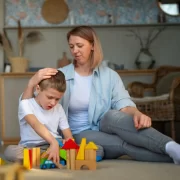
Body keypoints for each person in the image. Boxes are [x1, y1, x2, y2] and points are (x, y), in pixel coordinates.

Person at [16, 26, 180, 164]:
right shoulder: (60, 75)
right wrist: (32, 82)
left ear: (92, 45)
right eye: (72, 46)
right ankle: (173, 157)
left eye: (79, 45)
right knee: (122, 144)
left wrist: (137, 113)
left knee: (114, 115)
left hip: (105, 123)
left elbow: (123, 102)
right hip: (79, 132)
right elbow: (30, 104)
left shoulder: (109, 75)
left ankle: (172, 147)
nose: (75, 51)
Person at [4, 70, 73, 163]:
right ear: (38, 89)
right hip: (31, 147)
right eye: (50, 97)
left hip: (55, 144)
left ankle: (47, 156)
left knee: (98, 150)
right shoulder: (26, 104)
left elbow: (68, 134)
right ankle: (50, 156)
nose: (53, 103)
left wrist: (69, 141)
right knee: (10, 151)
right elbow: (35, 124)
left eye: (57, 99)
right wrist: (53, 142)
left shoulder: (58, 108)